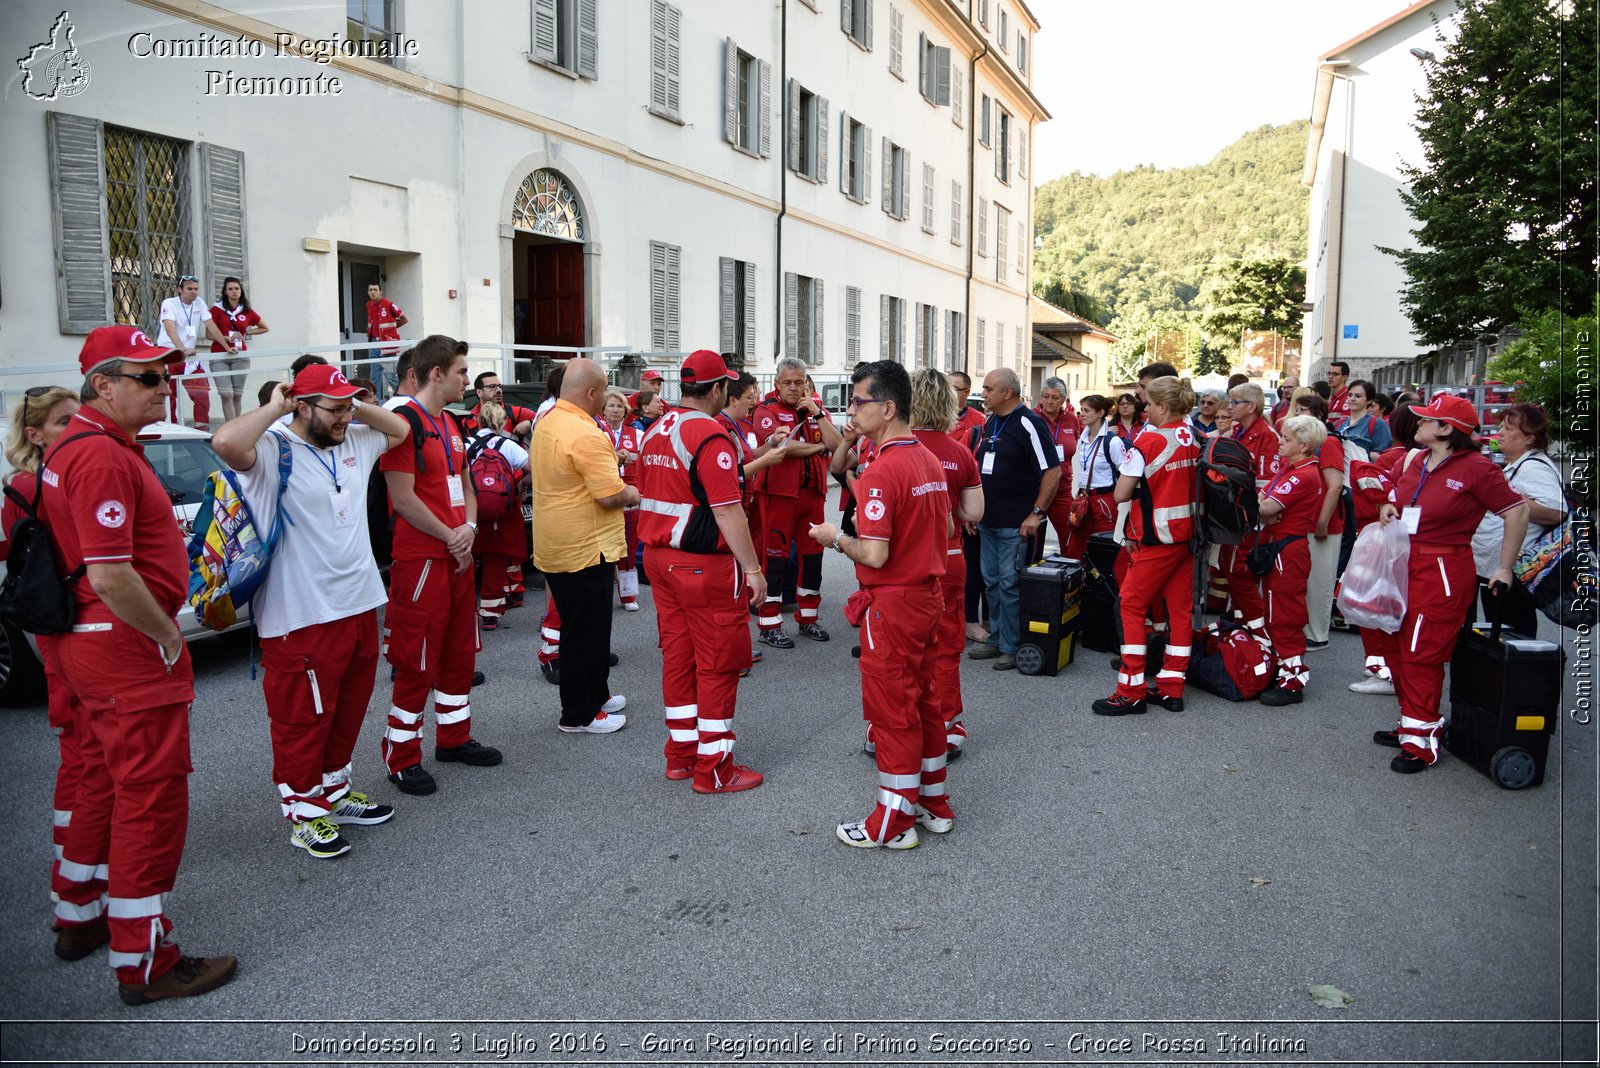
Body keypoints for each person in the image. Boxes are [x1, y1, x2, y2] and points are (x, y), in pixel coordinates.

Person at [41, 325, 236, 1004]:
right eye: (150, 377)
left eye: (168, 374)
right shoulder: (99, 455)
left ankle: (82, 916)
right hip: (123, 648)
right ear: (104, 384)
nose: (166, 387)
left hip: (92, 645)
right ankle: (145, 960)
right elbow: (110, 573)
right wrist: (169, 636)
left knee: (99, 780)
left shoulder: (85, 447)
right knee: (148, 798)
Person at [210, 364, 411, 858]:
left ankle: (335, 791)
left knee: (347, 709)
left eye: (349, 407)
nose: (346, 416)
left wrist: (349, 403)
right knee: (302, 718)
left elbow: (401, 429)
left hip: (360, 601)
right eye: (335, 408)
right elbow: (225, 444)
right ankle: (304, 811)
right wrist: (278, 406)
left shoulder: (354, 440)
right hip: (299, 612)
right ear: (301, 406)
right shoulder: (274, 447)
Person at [808, 361, 953, 850]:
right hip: (928, 597)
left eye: (858, 402)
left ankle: (892, 819)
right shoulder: (928, 460)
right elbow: (947, 528)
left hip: (893, 603)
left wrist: (836, 537)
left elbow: (874, 553)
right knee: (926, 700)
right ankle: (933, 802)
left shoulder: (883, 469)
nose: (850, 411)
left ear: (887, 408)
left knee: (893, 710)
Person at [1372, 394, 1528, 773]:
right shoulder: (1419, 460)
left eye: (1427, 420)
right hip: (1405, 563)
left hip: (1442, 570)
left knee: (1421, 653)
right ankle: (1412, 721)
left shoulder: (1477, 468)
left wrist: (1504, 567)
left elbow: (1517, 510)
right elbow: (1398, 499)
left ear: (1446, 429)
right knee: (1396, 645)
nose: (1418, 424)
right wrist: (1388, 508)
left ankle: (1422, 741)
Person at [637, 350, 768, 791]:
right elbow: (729, 510)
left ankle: (681, 754)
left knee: (678, 657)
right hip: (701, 564)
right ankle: (714, 768)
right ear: (717, 389)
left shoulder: (658, 427)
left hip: (659, 558)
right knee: (718, 663)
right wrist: (752, 569)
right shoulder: (710, 436)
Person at [379, 335, 501, 795]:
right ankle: (401, 753)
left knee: (457, 652)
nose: (467, 380)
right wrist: (450, 535)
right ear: (436, 373)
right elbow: (403, 498)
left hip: (457, 553)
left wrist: (467, 527)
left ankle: (453, 737)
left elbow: (466, 482)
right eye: (462, 372)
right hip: (423, 558)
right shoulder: (402, 422)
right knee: (417, 658)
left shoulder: (450, 422)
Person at [3, 386, 92, 957]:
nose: (74, 429)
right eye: (63, 422)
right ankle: (76, 899)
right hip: (74, 628)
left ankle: (72, 890)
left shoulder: (22, 486)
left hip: (49, 626)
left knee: (75, 760)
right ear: (35, 434)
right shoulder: (41, 484)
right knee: (88, 766)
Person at [530, 357, 638, 733]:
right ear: (592, 393)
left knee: (592, 627)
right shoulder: (585, 432)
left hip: (561, 541)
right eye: (605, 390)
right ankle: (578, 714)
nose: (608, 396)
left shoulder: (549, 421)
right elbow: (611, 495)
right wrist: (635, 492)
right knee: (583, 632)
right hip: (584, 545)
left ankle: (597, 694)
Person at [1091, 376, 1200, 716]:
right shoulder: (1195, 435)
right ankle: (1171, 687)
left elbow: (1121, 493)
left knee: (1131, 606)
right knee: (1180, 612)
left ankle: (1131, 689)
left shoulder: (1148, 440)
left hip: (1155, 537)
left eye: (1149, 404)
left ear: (1163, 407)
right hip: (1188, 535)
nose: (1145, 408)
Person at [907, 368, 984, 759]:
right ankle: (949, 723)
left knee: (900, 646)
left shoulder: (891, 447)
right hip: (949, 556)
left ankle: (893, 723)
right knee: (948, 642)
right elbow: (974, 511)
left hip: (903, 563)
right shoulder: (959, 452)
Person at [969, 367, 1062, 671]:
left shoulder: (1029, 422)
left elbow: (1053, 471)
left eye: (988, 388)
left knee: (1010, 585)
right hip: (988, 519)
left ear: (1006, 392)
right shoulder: (992, 420)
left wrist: (1036, 514)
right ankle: (997, 639)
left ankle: (1010, 646)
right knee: (992, 584)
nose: (983, 394)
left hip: (1015, 523)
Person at [752, 357, 843, 648]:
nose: (793, 388)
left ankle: (808, 619)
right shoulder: (766, 411)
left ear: (806, 383)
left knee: (813, 557)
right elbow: (783, 447)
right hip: (779, 496)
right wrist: (818, 447)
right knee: (776, 559)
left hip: (812, 495)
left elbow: (838, 445)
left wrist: (819, 415)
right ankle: (769, 624)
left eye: (799, 382)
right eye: (787, 382)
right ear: (777, 383)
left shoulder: (815, 411)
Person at [1470, 403, 1566, 635]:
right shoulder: (1518, 464)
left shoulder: (1534, 467)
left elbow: (1555, 511)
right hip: (1500, 568)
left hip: (1515, 570)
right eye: (1500, 426)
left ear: (1529, 438)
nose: (1500, 433)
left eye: (1509, 429)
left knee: (1513, 634)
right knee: (1500, 633)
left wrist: (1510, 503)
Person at [1253, 415, 1329, 705]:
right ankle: (1285, 668)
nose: (1279, 442)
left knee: (1284, 613)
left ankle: (1293, 679)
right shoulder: (1291, 468)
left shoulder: (1302, 474)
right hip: (1280, 545)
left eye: (1286, 438)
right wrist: (1265, 508)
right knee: (1275, 610)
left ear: (1304, 444)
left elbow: (1266, 506)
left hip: (1288, 549)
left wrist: (1265, 509)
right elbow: (1262, 501)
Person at [1220, 382, 1281, 640]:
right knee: (1229, 569)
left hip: (1250, 518)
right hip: (1234, 514)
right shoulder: (1238, 433)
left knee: (1239, 574)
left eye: (1235, 403)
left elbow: (1267, 484)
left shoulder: (1267, 436)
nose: (1230, 407)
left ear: (1252, 406)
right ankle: (1241, 627)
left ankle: (1260, 632)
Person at [464, 400, 531, 630]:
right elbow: (535, 469)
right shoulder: (509, 445)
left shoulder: (467, 444)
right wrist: (521, 484)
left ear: (478, 421)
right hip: (503, 513)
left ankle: (464, 609)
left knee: (467, 559)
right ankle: (490, 612)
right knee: (496, 561)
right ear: (502, 422)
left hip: (471, 511)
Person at [1291, 393, 1345, 651]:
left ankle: (1318, 633)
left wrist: (1323, 521)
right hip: (1305, 521)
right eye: (1297, 409)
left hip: (1323, 523)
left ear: (1319, 416)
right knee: (1306, 580)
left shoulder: (1329, 443)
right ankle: (1307, 629)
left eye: (1304, 410)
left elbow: (1334, 486)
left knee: (1319, 581)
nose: (1298, 414)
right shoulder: (1306, 443)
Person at [1063, 394, 1129, 563]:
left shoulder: (1112, 442)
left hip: (1104, 501)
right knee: (1075, 550)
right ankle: (1080, 586)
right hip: (1084, 499)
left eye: (1086, 410)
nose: (1082, 414)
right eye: (1081, 410)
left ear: (1100, 413)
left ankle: (1105, 587)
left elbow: (1124, 473)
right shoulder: (1083, 439)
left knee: (1105, 549)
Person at [157, 274, 222, 427]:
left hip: (189, 357)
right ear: (180, 289)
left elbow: (212, 325)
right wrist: (182, 349)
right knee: (169, 397)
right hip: (169, 353)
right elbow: (170, 328)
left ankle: (201, 431)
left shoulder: (199, 303)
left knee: (201, 393)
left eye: (196, 289)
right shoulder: (169, 303)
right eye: (189, 289)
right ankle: (170, 430)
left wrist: (227, 346)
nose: (194, 292)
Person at [602, 387, 643, 611]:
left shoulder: (636, 434)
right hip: (607, 496)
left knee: (629, 546)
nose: (615, 410)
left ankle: (628, 595)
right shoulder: (598, 432)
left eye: (619, 406)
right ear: (603, 410)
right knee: (607, 548)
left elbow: (645, 461)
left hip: (630, 497)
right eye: (611, 405)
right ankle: (603, 593)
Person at [1032, 376, 1082, 556]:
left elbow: (1073, 445)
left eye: (1055, 397)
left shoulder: (1071, 419)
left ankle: (1069, 577)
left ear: (1063, 400)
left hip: (1062, 489)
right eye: (1045, 396)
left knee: (1069, 535)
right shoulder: (1031, 417)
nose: (1049, 401)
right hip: (1036, 488)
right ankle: (1031, 577)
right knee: (1032, 538)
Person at [207, 276, 269, 422]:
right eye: (230, 289)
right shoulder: (216, 309)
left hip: (240, 355)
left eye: (237, 289)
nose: (234, 292)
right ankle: (230, 426)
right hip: (219, 354)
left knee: (237, 394)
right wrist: (228, 339)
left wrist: (246, 333)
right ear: (225, 292)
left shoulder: (246, 310)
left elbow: (265, 327)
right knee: (226, 394)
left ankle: (237, 425)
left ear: (241, 291)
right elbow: (209, 334)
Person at [466, 372, 536, 438]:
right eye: (493, 386)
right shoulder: (468, 420)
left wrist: (529, 423)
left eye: (500, 386)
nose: (499, 390)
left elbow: (545, 418)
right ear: (479, 392)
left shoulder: (514, 412)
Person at [1337, 379, 1393, 455]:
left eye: (1358, 396)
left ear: (1369, 400)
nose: (1352, 399)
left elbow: (1382, 458)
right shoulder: (1339, 423)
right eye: (1350, 395)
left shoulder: (1378, 425)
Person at [948, 371, 986, 451]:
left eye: (953, 389)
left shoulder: (979, 420)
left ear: (966, 392)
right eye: (946, 388)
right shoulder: (933, 417)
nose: (947, 393)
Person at [1326, 361, 1351, 426]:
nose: (1330, 377)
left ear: (1344, 377)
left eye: (1335, 374)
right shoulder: (1334, 397)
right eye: (1329, 373)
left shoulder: (1347, 398)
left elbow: (1345, 425)